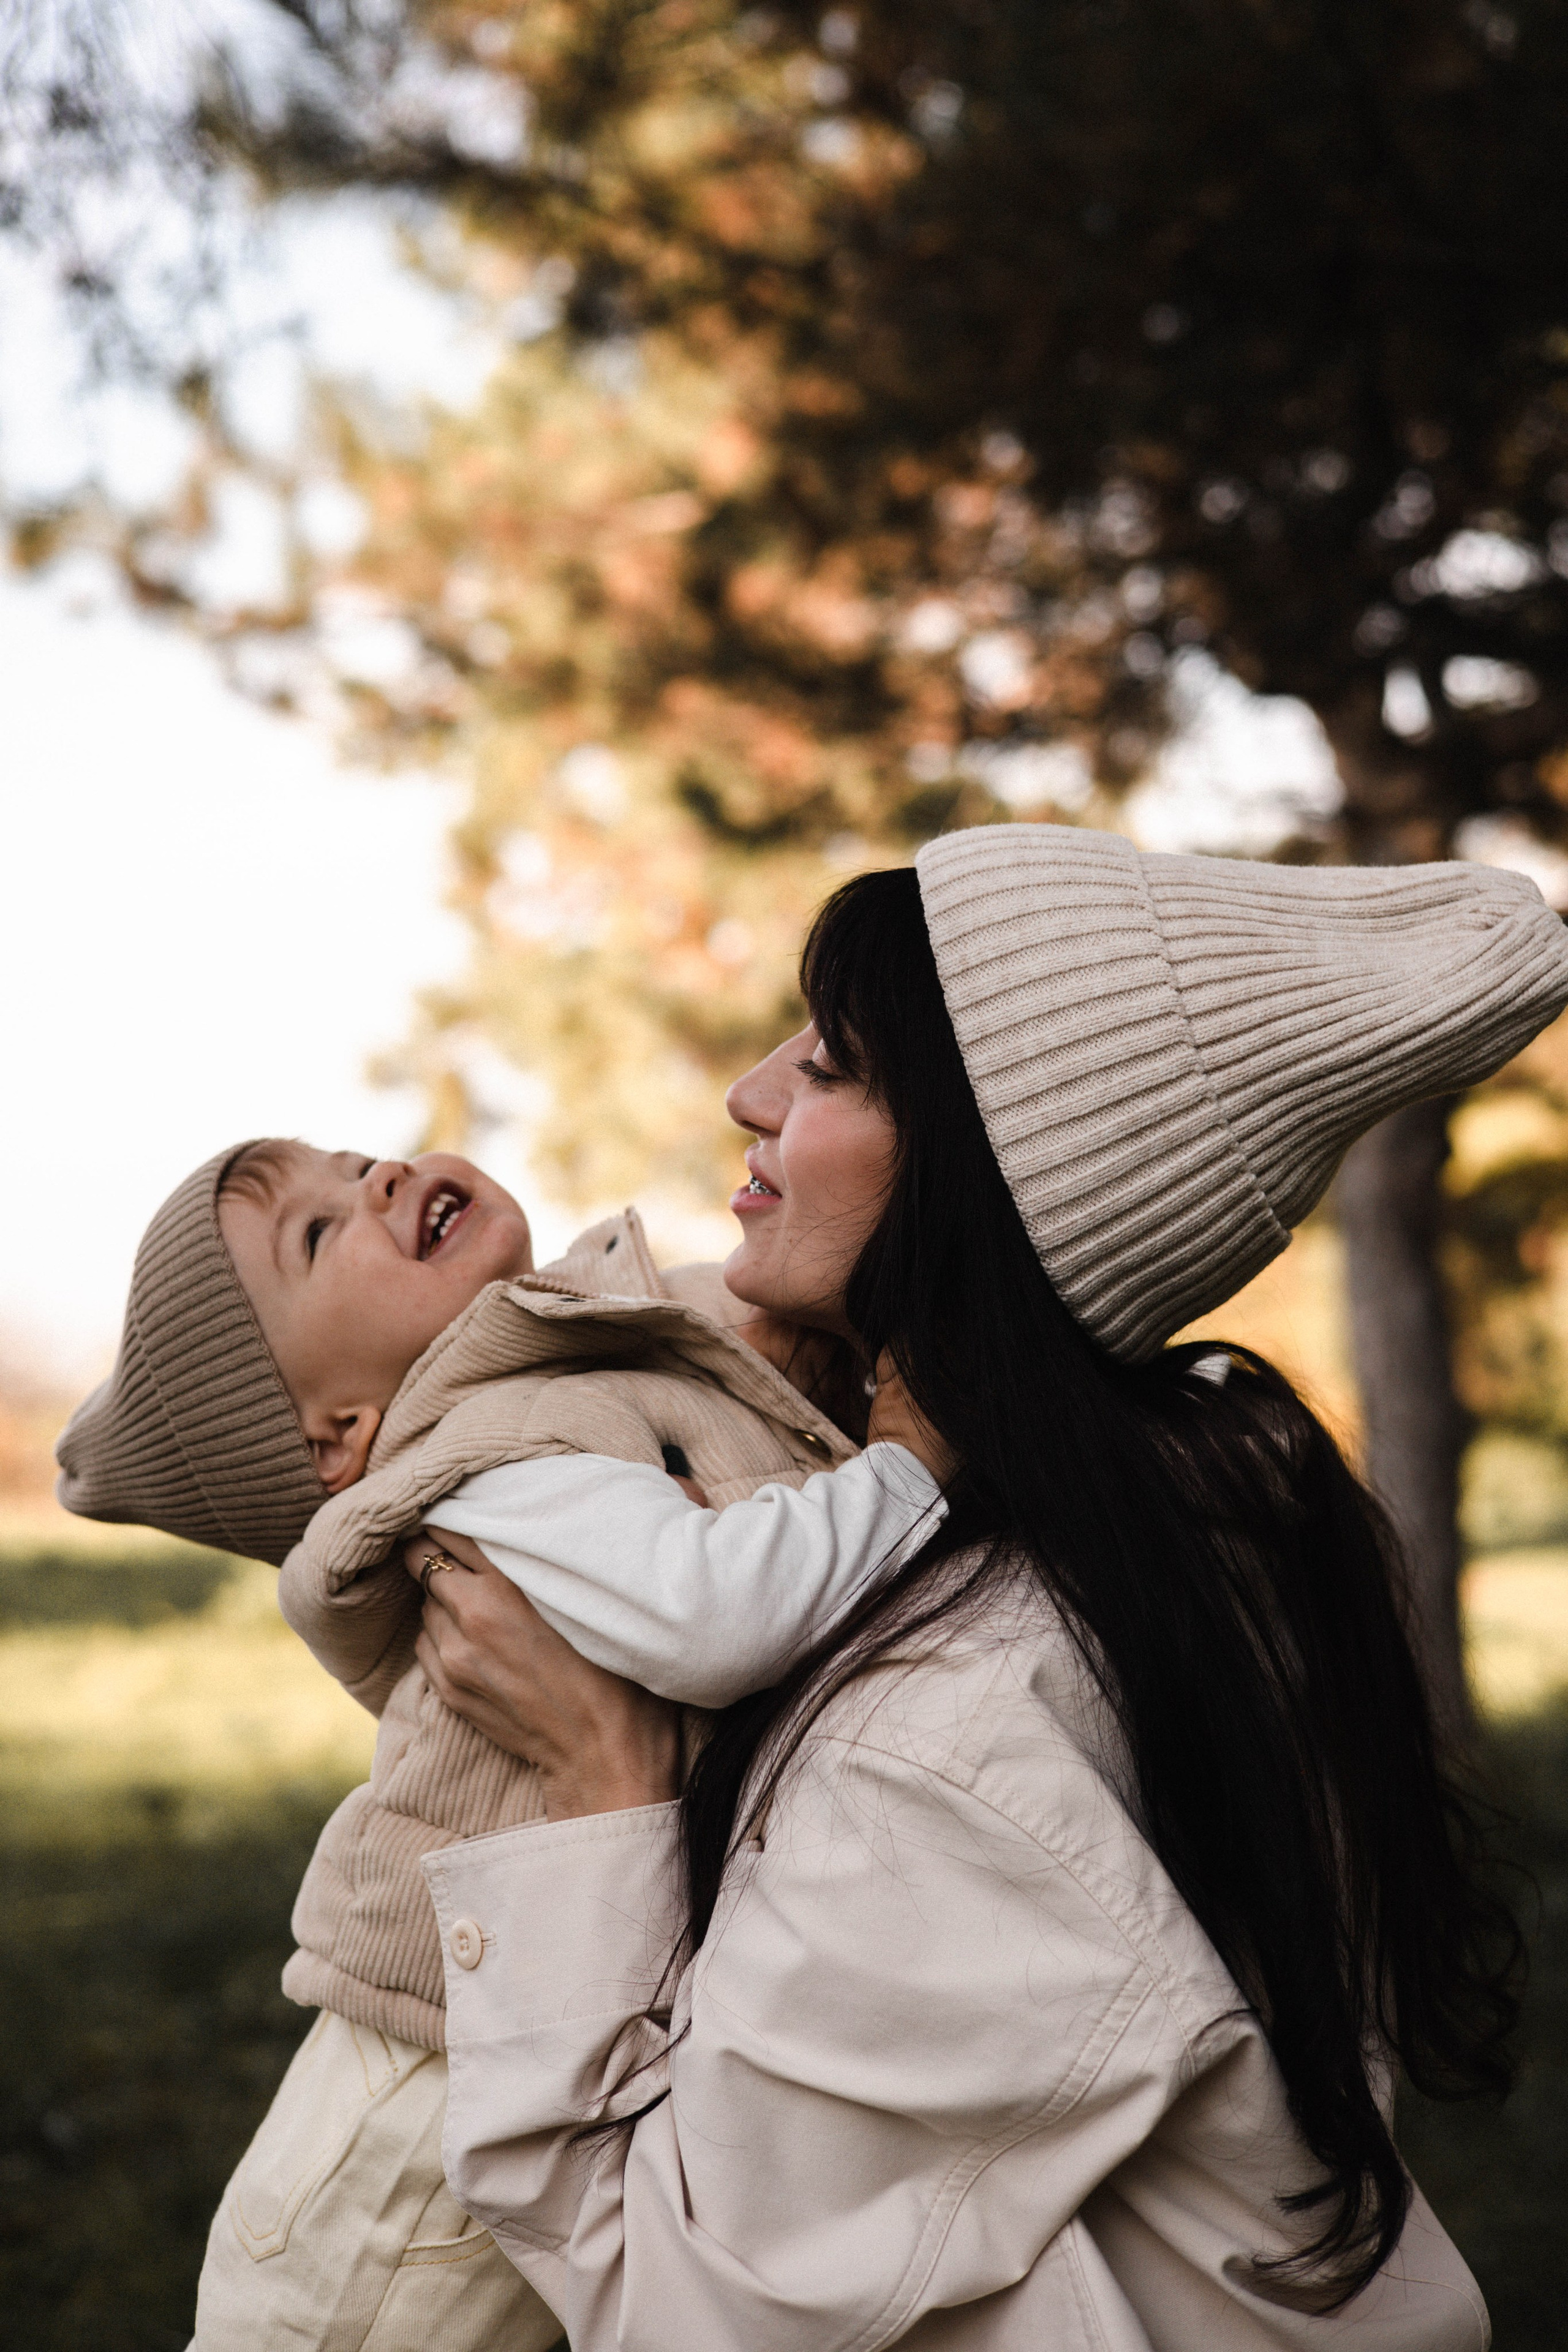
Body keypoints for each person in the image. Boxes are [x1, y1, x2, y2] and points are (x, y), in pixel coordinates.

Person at [410, 824, 1568, 2350]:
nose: (750, 1092)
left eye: (831, 1067)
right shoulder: (1195, 1520)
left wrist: (599, 1790)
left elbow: (682, 2308)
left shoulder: (939, 1744)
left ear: (980, 1183)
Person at [53, 1142, 941, 2350]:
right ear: (337, 1438)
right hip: (409, 2129)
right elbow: (710, 1611)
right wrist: (907, 1475)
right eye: (314, 1237)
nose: (371, 1181)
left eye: (350, 1161)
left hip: (526, 2059)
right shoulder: (480, 1460)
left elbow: (713, 1337)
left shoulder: (564, 1352)